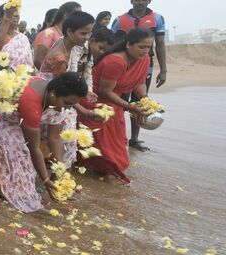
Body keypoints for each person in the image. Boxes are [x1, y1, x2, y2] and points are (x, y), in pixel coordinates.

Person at [0, 69, 88, 212]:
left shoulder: (56, 100)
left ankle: (24, 189)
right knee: (19, 162)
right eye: (67, 103)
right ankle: (8, 191)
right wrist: (46, 180)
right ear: (53, 94)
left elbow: (55, 138)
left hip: (25, 122)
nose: (67, 108)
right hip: (3, 120)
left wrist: (60, 172)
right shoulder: (31, 101)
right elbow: (34, 148)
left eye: (71, 105)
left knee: (67, 144)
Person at [78, 28, 153, 183]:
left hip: (115, 104)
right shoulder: (116, 61)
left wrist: (145, 99)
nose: (145, 51)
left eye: (148, 47)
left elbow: (139, 82)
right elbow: (106, 92)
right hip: (96, 103)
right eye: (141, 47)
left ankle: (105, 171)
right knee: (101, 146)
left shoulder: (145, 59)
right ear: (128, 45)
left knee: (117, 145)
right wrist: (130, 106)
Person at [38, 11, 97, 167]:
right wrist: (84, 111)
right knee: (62, 142)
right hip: (51, 100)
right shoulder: (60, 58)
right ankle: (59, 177)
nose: (86, 38)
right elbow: (62, 91)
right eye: (83, 33)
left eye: (89, 33)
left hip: (53, 96)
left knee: (53, 144)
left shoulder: (65, 43)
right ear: (70, 31)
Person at [111, 0, 167, 152]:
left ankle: (134, 139)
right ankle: (116, 137)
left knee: (140, 101)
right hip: (122, 66)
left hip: (145, 65)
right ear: (131, 1)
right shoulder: (119, 20)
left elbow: (160, 44)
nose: (140, 2)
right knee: (118, 102)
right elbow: (112, 44)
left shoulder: (157, 19)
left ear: (149, 1)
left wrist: (163, 70)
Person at [33, 2, 81, 68]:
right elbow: (38, 61)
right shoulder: (48, 33)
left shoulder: (68, 35)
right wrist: (51, 75)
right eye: (77, 15)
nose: (80, 18)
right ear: (65, 15)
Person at [0, 3, 33, 68]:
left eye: (17, 15)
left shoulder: (23, 38)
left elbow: (29, 63)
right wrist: (7, 18)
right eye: (11, 15)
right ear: (0, 18)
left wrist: (33, 77)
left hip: (23, 76)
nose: (15, 17)